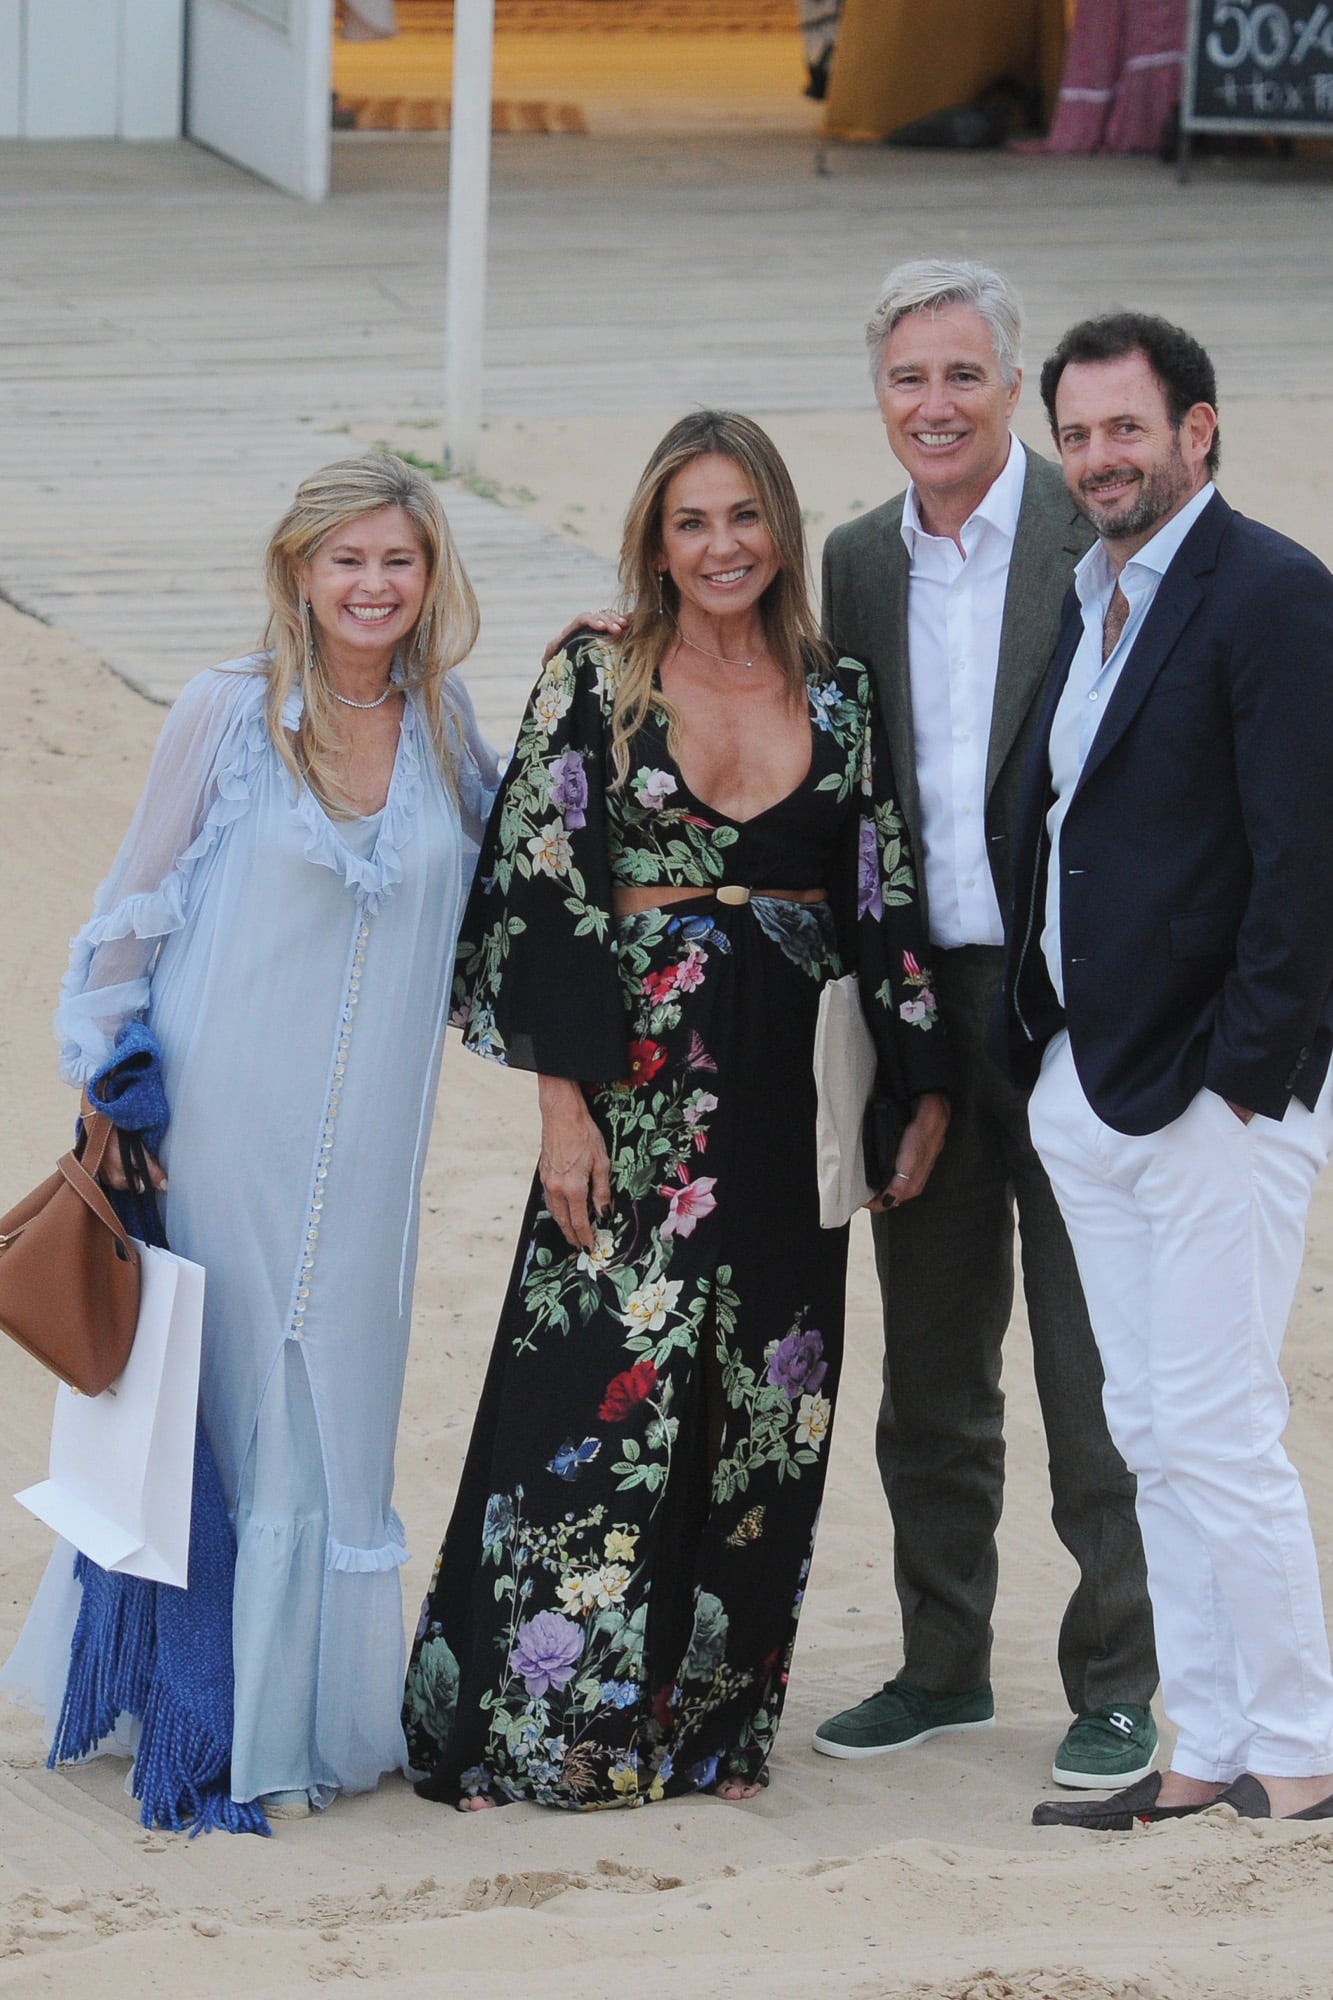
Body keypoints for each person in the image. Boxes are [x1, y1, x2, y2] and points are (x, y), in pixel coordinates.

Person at [403, 410, 951, 1810]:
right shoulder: (597, 676)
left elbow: (881, 883)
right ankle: (538, 1728)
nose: (721, 547)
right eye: (691, 521)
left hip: (792, 1092)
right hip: (635, 1092)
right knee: (593, 1393)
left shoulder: (838, 691)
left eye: (744, 516)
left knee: (765, 1404)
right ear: (654, 539)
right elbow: (543, 890)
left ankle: (708, 1725)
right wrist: (562, 1112)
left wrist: (919, 1083)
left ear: (781, 529)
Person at [3, 453, 497, 1819]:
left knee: (338, 1400)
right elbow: (131, 906)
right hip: (216, 1123)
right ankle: (195, 1710)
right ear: (298, 569)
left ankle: (300, 1721)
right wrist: (109, 1084)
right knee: (211, 1395)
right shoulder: (226, 712)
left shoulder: (448, 726)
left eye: (399, 560)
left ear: (431, 576)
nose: (373, 585)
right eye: (347, 559)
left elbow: (520, 891)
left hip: (375, 1145)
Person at [811, 260, 1158, 1789]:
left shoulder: (1101, 530)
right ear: (879, 396)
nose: (935, 405)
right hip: (920, 1010)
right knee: (932, 1367)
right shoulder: (853, 562)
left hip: (1080, 1006)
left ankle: (1119, 1685)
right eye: (908, 378)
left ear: (1014, 387)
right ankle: (942, 1665)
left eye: (962, 375)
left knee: (1094, 1372)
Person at [997, 312, 1333, 1829]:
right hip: (1089, 1080)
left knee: (1216, 1426)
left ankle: (1303, 1750)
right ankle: (1204, 1747)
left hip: (1214, 1093)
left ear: (1198, 429)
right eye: (1075, 435)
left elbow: (1305, 858)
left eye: (1125, 428)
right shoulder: (1096, 597)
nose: (1097, 459)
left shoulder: (1271, 592)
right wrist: (1044, 1049)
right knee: (1147, 1432)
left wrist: (1244, 1080)